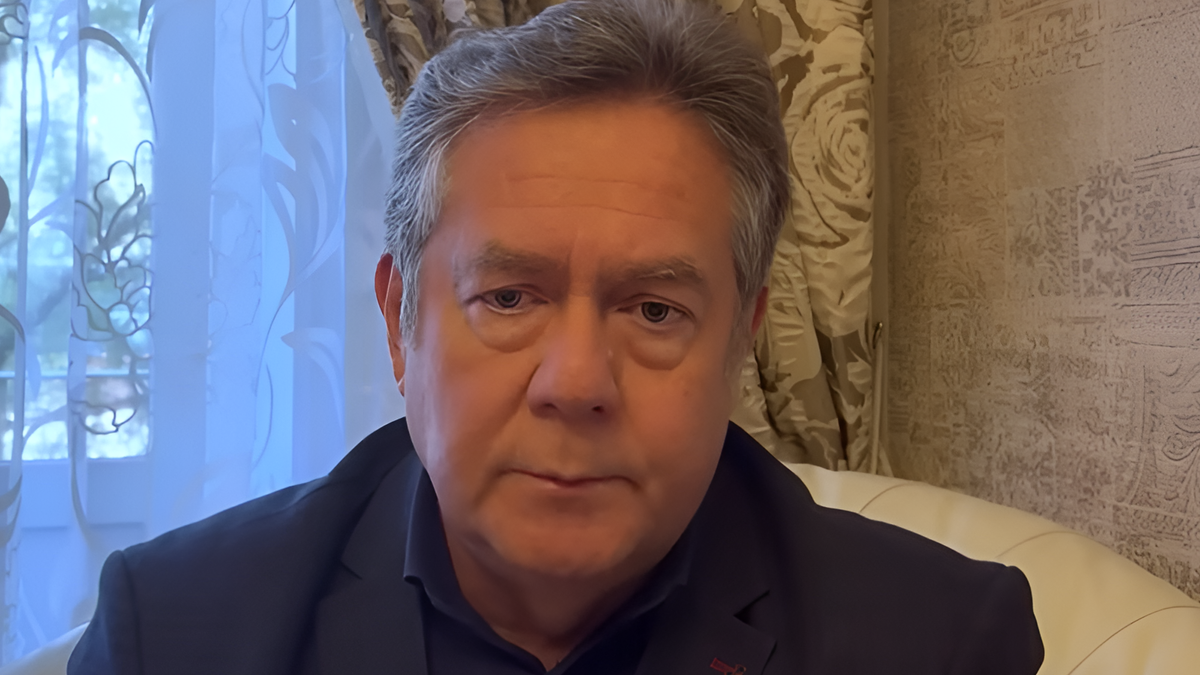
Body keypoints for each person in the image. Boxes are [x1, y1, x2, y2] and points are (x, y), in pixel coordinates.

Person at [68, 1, 1044, 673]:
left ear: (740, 340)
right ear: (402, 326)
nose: (575, 383)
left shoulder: (941, 643)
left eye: (654, 310)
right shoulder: (177, 633)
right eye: (508, 298)